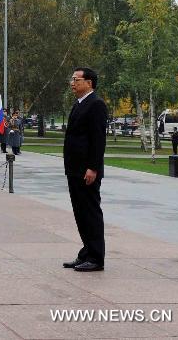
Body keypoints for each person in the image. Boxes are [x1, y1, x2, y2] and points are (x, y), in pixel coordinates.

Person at [63, 67, 107, 272]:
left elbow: (98, 140)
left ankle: (96, 257)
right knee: (80, 213)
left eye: (76, 79)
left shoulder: (96, 104)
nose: (72, 83)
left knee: (90, 213)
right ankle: (86, 253)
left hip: (87, 170)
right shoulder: (79, 103)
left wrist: (93, 167)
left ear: (89, 83)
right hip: (74, 168)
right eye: (72, 79)